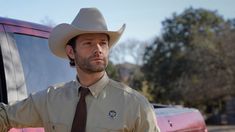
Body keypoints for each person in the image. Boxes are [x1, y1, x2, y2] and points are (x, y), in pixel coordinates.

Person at [0, 8, 160, 132]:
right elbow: (5, 116)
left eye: (103, 43)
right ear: (71, 52)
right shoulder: (49, 100)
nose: (98, 49)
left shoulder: (135, 105)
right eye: (88, 43)